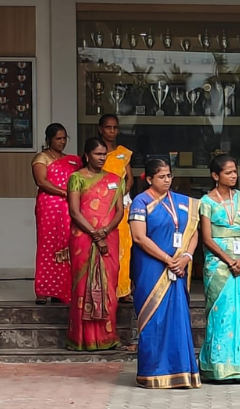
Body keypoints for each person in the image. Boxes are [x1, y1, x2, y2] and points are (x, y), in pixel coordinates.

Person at [129, 158, 201, 389]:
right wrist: (168, 260)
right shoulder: (141, 202)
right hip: (151, 268)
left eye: (169, 175)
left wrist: (186, 257)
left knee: (177, 318)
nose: (167, 180)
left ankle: (181, 371)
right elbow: (139, 237)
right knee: (154, 319)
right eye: (162, 176)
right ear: (150, 179)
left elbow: (193, 231)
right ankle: (153, 373)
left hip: (178, 267)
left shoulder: (182, 202)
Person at [198, 154, 240, 382]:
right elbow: (207, 238)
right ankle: (218, 366)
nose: (234, 175)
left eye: (235, 171)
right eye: (228, 172)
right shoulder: (206, 202)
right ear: (215, 176)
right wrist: (228, 260)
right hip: (218, 263)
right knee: (221, 311)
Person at [66, 138, 125, 351]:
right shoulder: (76, 178)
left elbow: (120, 211)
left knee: (109, 288)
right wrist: (95, 234)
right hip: (83, 238)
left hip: (109, 238)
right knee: (83, 288)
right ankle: (83, 339)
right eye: (98, 154)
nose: (102, 158)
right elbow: (74, 211)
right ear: (87, 155)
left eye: (104, 154)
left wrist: (105, 232)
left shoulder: (115, 179)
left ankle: (108, 337)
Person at [32, 123, 82, 305]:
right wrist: (63, 192)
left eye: (64, 138)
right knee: (48, 245)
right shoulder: (41, 158)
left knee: (67, 244)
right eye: (58, 138)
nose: (62, 142)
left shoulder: (72, 160)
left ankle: (61, 290)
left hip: (69, 206)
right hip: (49, 206)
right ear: (49, 140)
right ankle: (43, 290)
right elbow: (41, 181)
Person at [97, 114, 134, 301]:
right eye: (108, 127)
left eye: (115, 127)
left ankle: (124, 289)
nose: (112, 131)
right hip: (99, 206)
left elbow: (130, 179)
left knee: (124, 246)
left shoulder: (123, 153)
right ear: (100, 129)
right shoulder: (96, 153)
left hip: (121, 206)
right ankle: (105, 288)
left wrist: (118, 197)